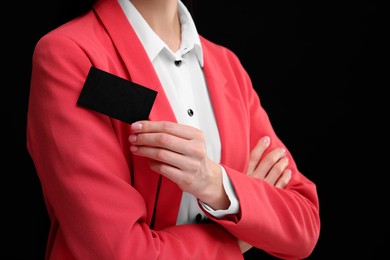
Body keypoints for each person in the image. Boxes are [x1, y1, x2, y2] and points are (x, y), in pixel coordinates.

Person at [26, 0, 320, 259]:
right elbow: (120, 253)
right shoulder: (70, 55)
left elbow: (303, 223)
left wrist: (216, 184)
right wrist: (241, 235)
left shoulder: (226, 66)